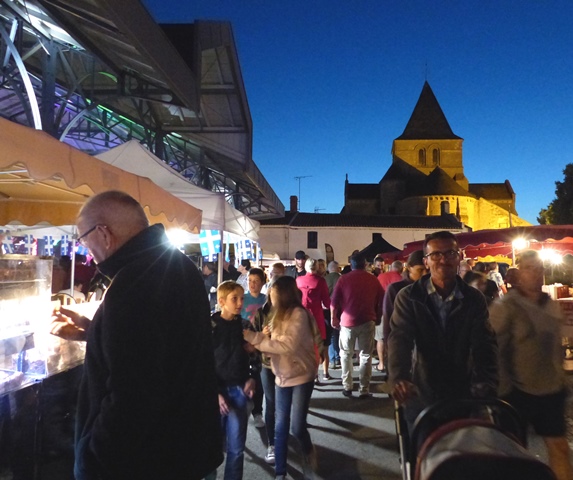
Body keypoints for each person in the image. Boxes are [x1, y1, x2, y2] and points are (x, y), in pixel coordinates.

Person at [49, 190, 222, 479]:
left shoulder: (132, 284)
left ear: (103, 234)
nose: (86, 252)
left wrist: (92, 458)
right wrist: (95, 332)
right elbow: (161, 348)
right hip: (191, 451)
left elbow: (133, 398)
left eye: (83, 239)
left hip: (152, 461)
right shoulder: (179, 267)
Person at [388, 230, 498, 432]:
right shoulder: (409, 297)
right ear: (426, 261)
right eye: (436, 255)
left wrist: (487, 379)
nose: (443, 260)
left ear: (459, 258)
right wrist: (399, 377)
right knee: (424, 453)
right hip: (422, 388)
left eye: (450, 254)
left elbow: (483, 341)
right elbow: (400, 338)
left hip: (464, 388)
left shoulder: (473, 298)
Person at [489, 250, 573, 480]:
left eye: (540, 270)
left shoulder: (550, 305)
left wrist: (561, 379)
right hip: (517, 392)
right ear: (518, 274)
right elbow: (494, 350)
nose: (536, 275)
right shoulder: (505, 307)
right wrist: (503, 391)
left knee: (559, 447)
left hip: (550, 389)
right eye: (530, 269)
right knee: (516, 454)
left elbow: (557, 345)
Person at [243, 276, 319, 480]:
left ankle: (307, 448)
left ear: (283, 294)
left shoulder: (299, 315)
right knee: (280, 424)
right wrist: (263, 343)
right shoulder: (276, 314)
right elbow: (275, 346)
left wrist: (255, 338)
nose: (269, 295)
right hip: (281, 375)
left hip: (302, 375)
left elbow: (287, 346)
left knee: (297, 426)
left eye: (272, 293)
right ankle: (280, 471)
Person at [211, 281, 258, 480]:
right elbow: (201, 362)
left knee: (237, 448)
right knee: (210, 448)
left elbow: (256, 356)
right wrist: (214, 392)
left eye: (241, 298)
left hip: (239, 390)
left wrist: (252, 378)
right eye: (234, 299)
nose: (240, 303)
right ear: (221, 301)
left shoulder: (245, 325)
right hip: (215, 392)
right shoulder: (210, 326)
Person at [331, 253, 384, 398]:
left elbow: (334, 302)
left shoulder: (343, 279)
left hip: (347, 322)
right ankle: (364, 388)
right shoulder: (373, 279)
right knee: (366, 355)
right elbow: (382, 299)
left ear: (351, 264)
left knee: (346, 354)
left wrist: (333, 318)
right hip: (367, 320)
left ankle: (347, 386)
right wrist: (378, 316)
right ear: (365, 264)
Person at [381, 250, 427, 372]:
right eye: (420, 270)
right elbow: (388, 320)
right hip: (402, 346)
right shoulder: (396, 289)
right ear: (409, 268)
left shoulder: (430, 288)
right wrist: (389, 348)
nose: (424, 274)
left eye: (427, 270)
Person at [297, 258, 331, 383]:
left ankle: (303, 372)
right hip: (316, 316)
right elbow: (326, 302)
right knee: (316, 347)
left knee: (302, 345)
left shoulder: (298, 280)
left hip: (300, 317)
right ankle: (315, 374)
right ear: (316, 268)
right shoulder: (321, 281)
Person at [240, 268, 267, 429]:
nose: (252, 284)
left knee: (258, 380)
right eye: (250, 280)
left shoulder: (266, 300)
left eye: (256, 281)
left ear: (263, 282)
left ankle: (258, 412)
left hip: (261, 345)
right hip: (244, 343)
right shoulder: (242, 299)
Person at [375, 260, 404, 372]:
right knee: (396, 339)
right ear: (401, 269)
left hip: (382, 311)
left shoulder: (381, 277)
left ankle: (381, 364)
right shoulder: (401, 280)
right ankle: (394, 363)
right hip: (398, 313)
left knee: (380, 339)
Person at [325, 261, 341, 369]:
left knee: (330, 335)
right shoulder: (342, 278)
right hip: (341, 309)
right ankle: (338, 357)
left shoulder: (326, 279)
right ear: (338, 268)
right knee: (338, 334)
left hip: (328, 308)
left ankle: (332, 359)